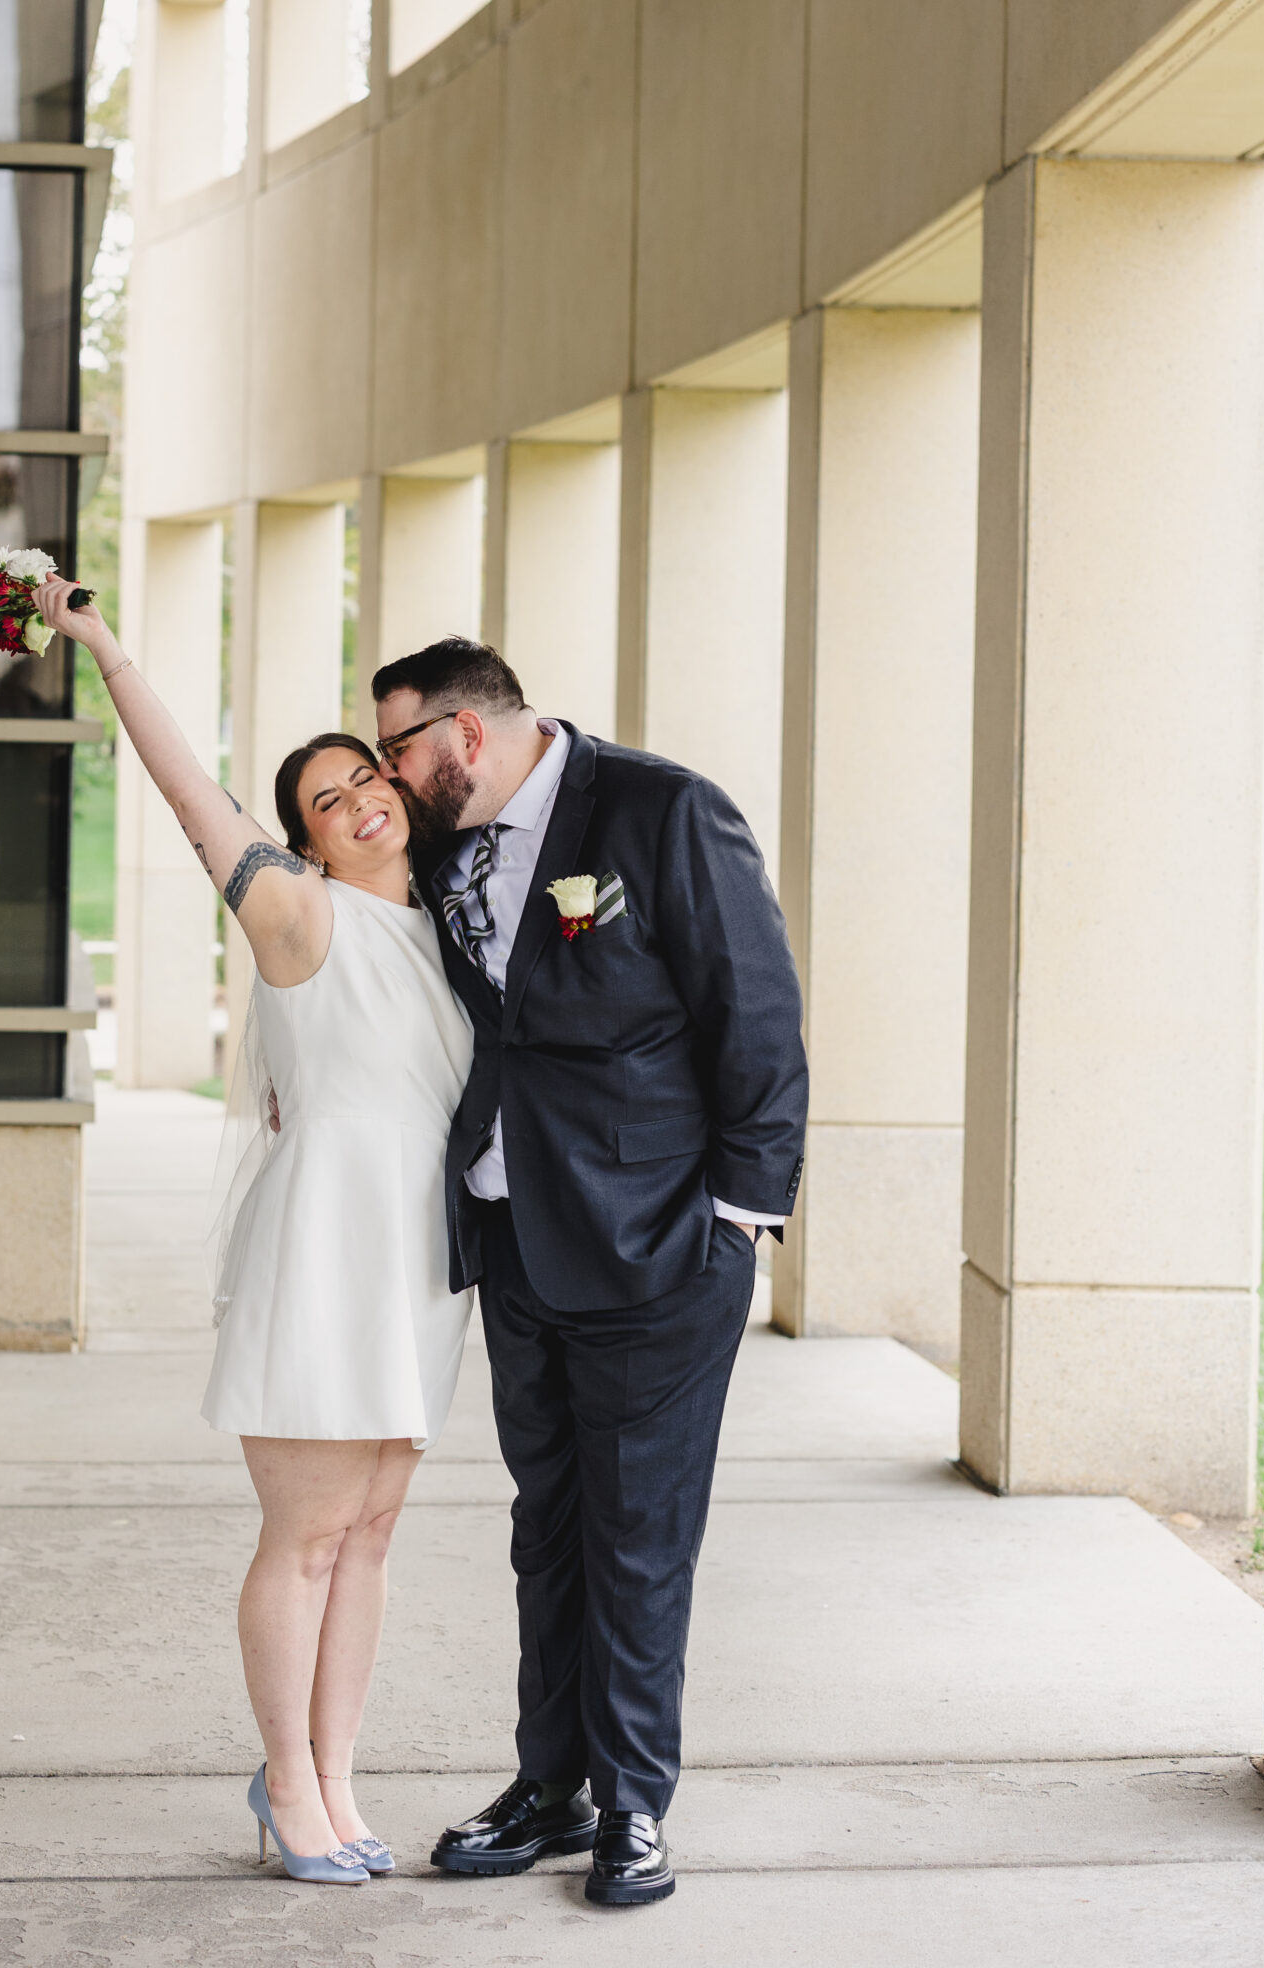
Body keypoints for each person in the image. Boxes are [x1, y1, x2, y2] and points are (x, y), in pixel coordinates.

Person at [34, 575, 475, 1889]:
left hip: (420, 1265)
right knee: (305, 1534)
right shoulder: (299, 915)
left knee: (375, 1531)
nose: (355, 804)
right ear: (306, 842)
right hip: (322, 1257)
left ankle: (336, 1773)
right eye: (322, 804)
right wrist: (105, 648)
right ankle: (287, 1786)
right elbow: (189, 795)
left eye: (364, 780)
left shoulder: (453, 928)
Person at [371, 638, 808, 1909]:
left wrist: (737, 1221)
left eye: (399, 748)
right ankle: (549, 1786)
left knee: (639, 1534)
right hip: (516, 1241)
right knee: (547, 1529)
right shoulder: (450, 844)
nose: (392, 777)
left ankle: (635, 1806)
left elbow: (758, 1015)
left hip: (661, 1245)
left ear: (462, 733)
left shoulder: (664, 810)